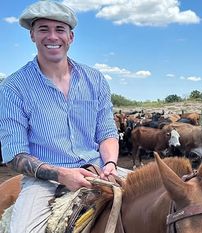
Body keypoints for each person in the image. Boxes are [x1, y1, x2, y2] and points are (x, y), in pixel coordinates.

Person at [0, 1, 121, 232]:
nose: (52, 36)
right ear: (32, 36)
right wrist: (62, 174)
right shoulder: (13, 87)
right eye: (43, 29)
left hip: (99, 169)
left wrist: (111, 164)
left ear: (71, 37)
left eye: (59, 29)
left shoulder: (94, 79)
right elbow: (15, 155)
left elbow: (106, 133)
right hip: (44, 182)